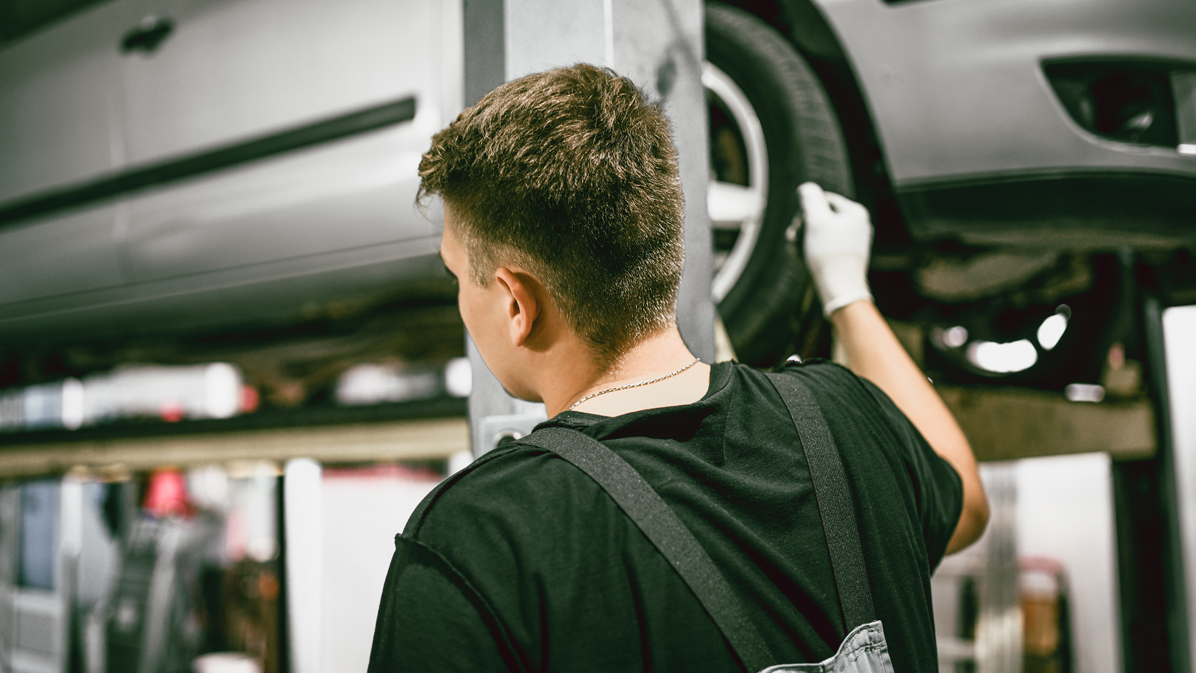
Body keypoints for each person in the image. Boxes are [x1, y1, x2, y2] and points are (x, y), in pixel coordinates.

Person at [368, 63, 989, 672]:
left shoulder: (478, 537)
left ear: (515, 304)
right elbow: (965, 499)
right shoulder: (845, 417)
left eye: (457, 275)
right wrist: (847, 292)